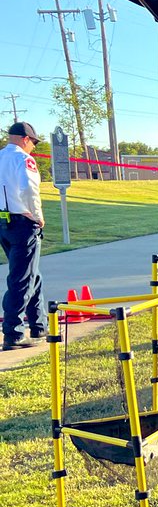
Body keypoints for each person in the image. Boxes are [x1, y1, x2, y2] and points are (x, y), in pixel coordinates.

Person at [1, 122, 47, 351]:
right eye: (34, 143)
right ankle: (13, 332)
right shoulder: (23, 159)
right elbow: (29, 189)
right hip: (22, 222)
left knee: (30, 273)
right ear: (26, 139)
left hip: (4, 222)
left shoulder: (1, 157)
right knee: (21, 280)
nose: (34, 149)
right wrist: (37, 216)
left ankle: (39, 324)